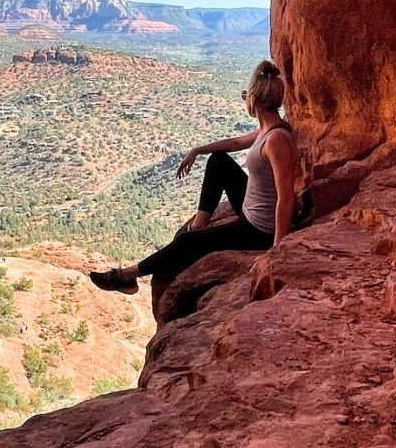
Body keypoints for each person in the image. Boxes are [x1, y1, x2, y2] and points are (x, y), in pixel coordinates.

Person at [89, 59, 297, 294]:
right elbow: (236, 142)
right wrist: (198, 150)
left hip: (259, 228)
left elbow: (286, 197)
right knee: (218, 160)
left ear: (254, 100)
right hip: (252, 208)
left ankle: (126, 277)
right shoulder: (267, 130)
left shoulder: (277, 140)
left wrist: (276, 251)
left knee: (188, 243)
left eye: (245, 95)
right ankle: (202, 220)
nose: (245, 100)